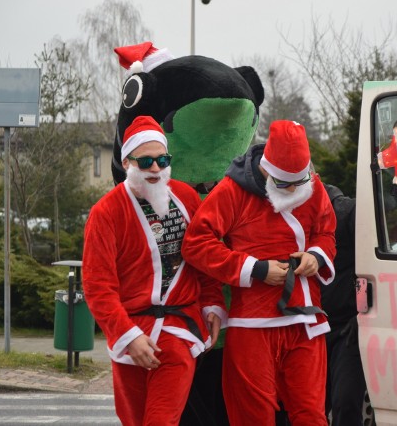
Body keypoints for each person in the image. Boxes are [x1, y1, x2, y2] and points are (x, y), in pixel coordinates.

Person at [181, 120, 337, 426]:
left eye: (300, 181)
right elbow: (196, 243)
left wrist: (316, 257)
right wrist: (254, 268)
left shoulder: (312, 187)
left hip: (305, 320)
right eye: (283, 183)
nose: (293, 190)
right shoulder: (233, 191)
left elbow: (326, 232)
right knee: (252, 417)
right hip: (252, 325)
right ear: (266, 169)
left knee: (312, 415)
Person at [82, 115, 226, 426]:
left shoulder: (187, 198)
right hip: (130, 332)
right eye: (146, 161)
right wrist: (127, 336)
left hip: (178, 329)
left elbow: (205, 258)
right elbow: (97, 285)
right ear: (127, 162)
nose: (156, 169)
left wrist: (213, 304)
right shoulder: (105, 213)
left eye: (163, 160)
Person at [321, 183, 373, 426]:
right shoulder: (287, 217)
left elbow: (372, 266)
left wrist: (363, 313)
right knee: (310, 404)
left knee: (346, 401)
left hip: (347, 326)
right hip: (309, 325)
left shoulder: (343, 211)